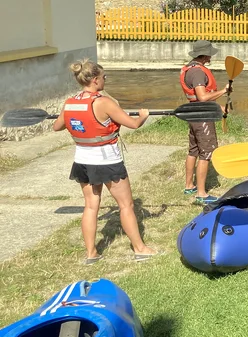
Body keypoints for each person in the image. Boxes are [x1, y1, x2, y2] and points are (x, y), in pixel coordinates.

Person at [52, 59, 157, 265]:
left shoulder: (70, 102)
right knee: (126, 204)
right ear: (94, 80)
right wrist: (143, 116)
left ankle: (91, 253)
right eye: (103, 77)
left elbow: (57, 126)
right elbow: (133, 124)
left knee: (91, 206)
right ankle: (140, 249)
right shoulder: (104, 102)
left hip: (82, 159)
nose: (105, 80)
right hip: (107, 160)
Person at [180, 39, 230, 205]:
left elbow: (200, 98)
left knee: (193, 150)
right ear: (204, 55)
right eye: (209, 53)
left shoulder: (191, 69)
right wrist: (223, 91)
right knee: (206, 153)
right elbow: (202, 97)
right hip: (202, 118)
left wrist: (218, 107)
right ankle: (201, 194)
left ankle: (189, 185)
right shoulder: (198, 73)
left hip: (194, 114)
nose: (211, 55)